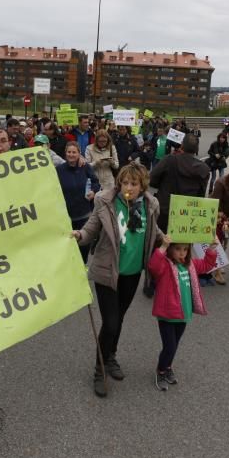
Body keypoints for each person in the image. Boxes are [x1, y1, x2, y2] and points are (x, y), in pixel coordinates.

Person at [72, 163, 162, 398]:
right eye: (125, 183)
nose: (128, 188)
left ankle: (111, 356)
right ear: (119, 182)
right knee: (110, 323)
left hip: (132, 274)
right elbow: (90, 230)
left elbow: (156, 233)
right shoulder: (105, 202)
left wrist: (173, 241)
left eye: (134, 184)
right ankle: (99, 370)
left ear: (143, 186)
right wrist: (78, 235)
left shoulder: (151, 205)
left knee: (119, 319)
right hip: (106, 272)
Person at [148, 234, 218, 391]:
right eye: (178, 249)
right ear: (171, 250)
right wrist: (163, 246)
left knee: (175, 344)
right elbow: (153, 266)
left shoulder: (190, 265)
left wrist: (212, 248)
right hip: (167, 315)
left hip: (183, 314)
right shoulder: (165, 266)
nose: (182, 253)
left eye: (185, 250)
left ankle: (167, 367)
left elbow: (207, 265)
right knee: (170, 346)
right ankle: (160, 370)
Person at [150, 134, 210, 236]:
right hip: (187, 215)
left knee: (161, 245)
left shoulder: (170, 160)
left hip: (165, 210)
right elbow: (201, 195)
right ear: (197, 149)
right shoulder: (204, 168)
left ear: (182, 146)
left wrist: (163, 185)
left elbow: (152, 179)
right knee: (182, 247)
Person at [57, 143, 100, 264]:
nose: (71, 154)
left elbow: (96, 182)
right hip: (66, 217)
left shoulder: (85, 167)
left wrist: (93, 191)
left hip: (84, 214)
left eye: (74, 152)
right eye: (69, 152)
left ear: (79, 154)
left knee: (84, 245)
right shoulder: (59, 170)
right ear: (65, 153)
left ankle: (83, 267)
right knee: (68, 246)